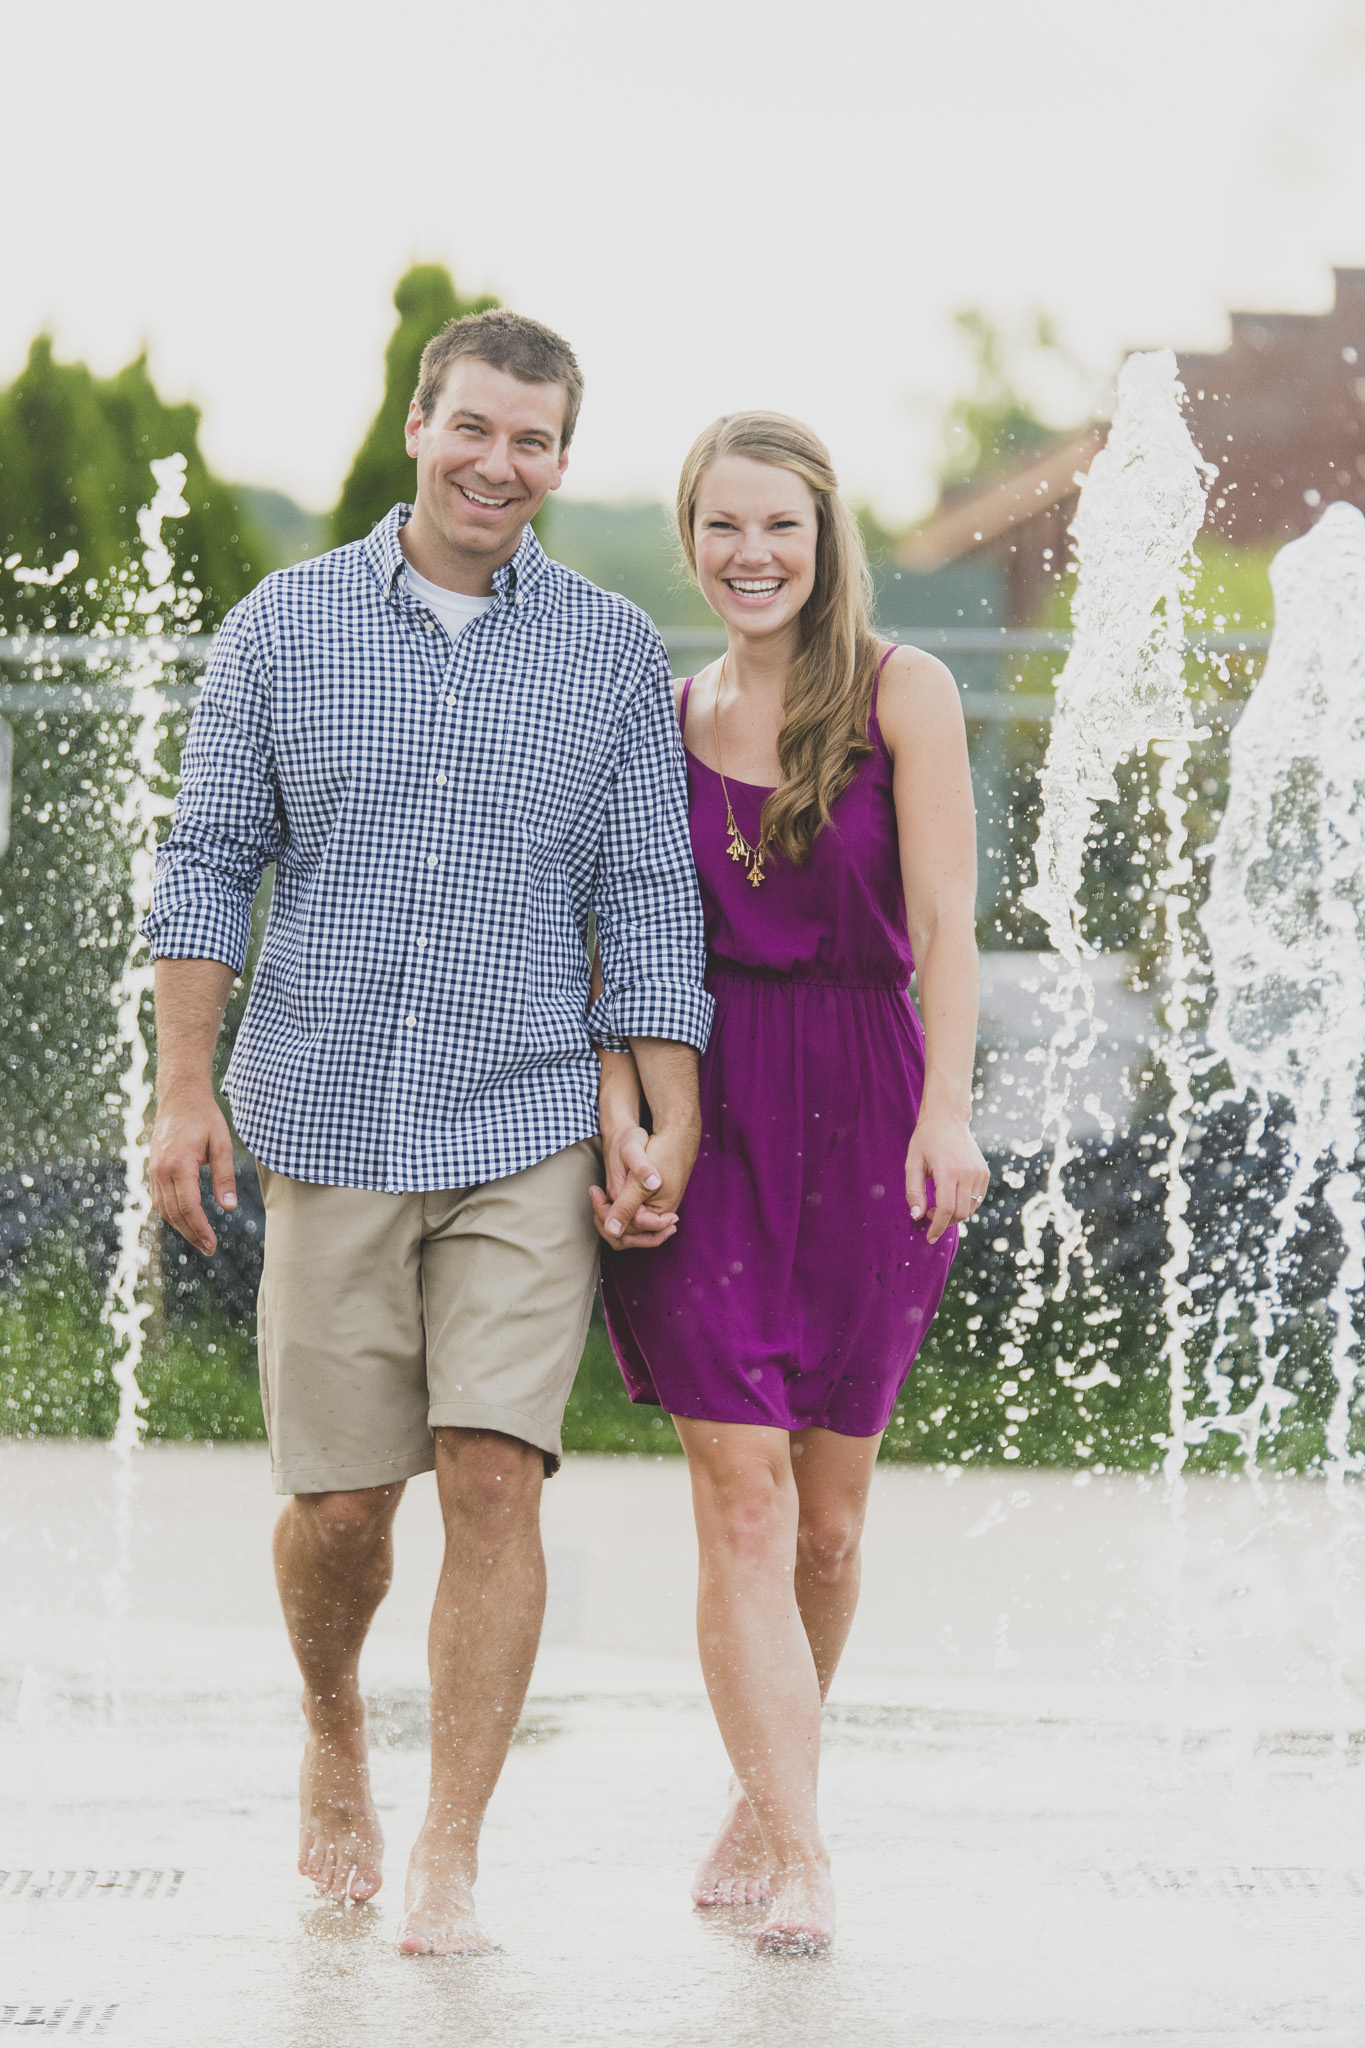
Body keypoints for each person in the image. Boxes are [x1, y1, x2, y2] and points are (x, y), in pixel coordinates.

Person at [145, 309, 712, 1956]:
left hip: (527, 1118)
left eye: (533, 440)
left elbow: (645, 899)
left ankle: (452, 1848)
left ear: (559, 458)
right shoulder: (284, 628)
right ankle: (334, 1732)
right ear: (418, 424)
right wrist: (188, 1089)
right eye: (474, 427)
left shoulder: (606, 650)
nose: (499, 463)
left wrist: (658, 1112)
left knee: (493, 1478)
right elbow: (203, 864)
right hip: (324, 1115)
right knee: (341, 1509)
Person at [592, 412, 988, 1954]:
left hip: (871, 1110)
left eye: (780, 528)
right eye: (721, 528)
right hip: (714, 1110)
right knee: (740, 1499)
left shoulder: (906, 693)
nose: (749, 556)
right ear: (688, 538)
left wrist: (946, 1114)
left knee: (826, 1525)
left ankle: (764, 1798)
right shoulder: (663, 713)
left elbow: (948, 929)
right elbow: (627, 940)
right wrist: (627, 1114)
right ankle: (808, 1852)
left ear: (825, 543)